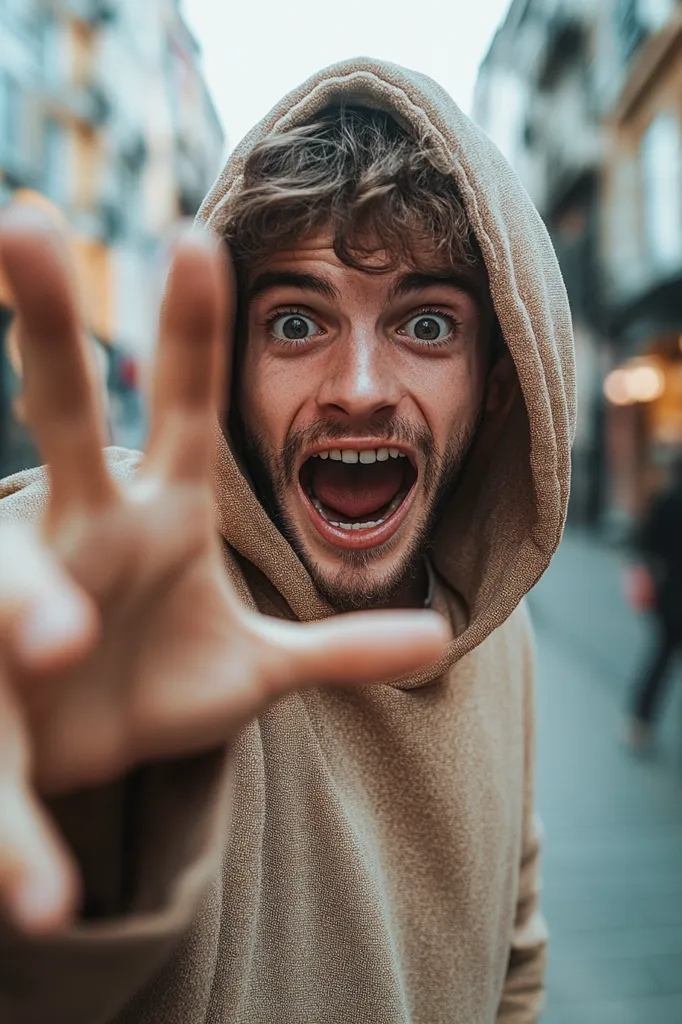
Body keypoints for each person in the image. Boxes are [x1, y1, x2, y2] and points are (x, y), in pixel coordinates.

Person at [0, 59, 574, 1024]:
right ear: (231, 376)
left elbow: (514, 960)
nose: (357, 385)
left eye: (425, 323)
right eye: (297, 321)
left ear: (500, 382)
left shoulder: (496, 634)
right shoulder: (155, 591)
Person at [625, 455, 682, 750]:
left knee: (659, 661)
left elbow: (643, 544)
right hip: (671, 597)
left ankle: (640, 723)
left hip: (670, 597)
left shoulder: (665, 501)